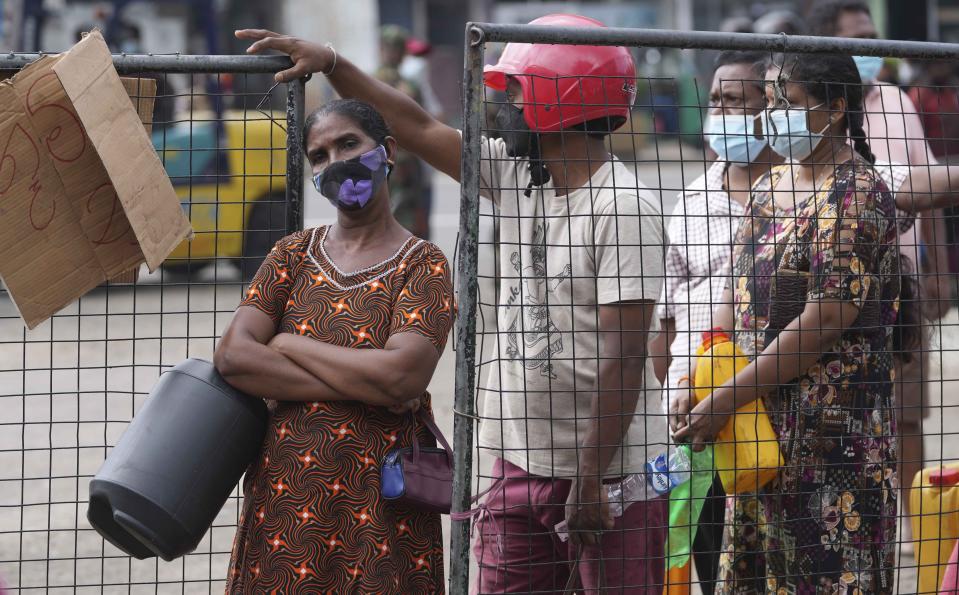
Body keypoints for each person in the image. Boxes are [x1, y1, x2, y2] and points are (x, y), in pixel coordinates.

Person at [236, 12, 670, 593]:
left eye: (514, 94)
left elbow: (625, 359)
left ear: (562, 99)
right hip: (516, 465)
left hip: (608, 476)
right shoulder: (514, 176)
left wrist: (589, 482)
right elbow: (413, 124)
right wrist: (334, 65)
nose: (502, 108)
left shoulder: (624, 208)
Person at [674, 52, 920, 594]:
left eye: (789, 103)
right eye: (772, 101)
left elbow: (825, 321)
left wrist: (725, 399)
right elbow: (735, 295)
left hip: (833, 442)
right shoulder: (768, 188)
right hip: (759, 438)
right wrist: (702, 377)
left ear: (834, 109)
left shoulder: (859, 195)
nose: (773, 115)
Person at [213, 99, 454, 593]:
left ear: (386, 151)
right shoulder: (291, 255)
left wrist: (287, 343)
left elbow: (402, 377)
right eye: (319, 156)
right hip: (285, 508)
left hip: (382, 516)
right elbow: (234, 357)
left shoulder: (423, 264)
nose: (334, 163)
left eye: (348, 144)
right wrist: (370, 383)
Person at [808, 0, 952, 549]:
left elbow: (931, 185)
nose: (872, 48)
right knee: (846, 415)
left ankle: (913, 531)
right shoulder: (813, 113)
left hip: (904, 287)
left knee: (908, 413)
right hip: (837, 291)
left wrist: (937, 271)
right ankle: (857, 523)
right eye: (858, 38)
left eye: (873, 36)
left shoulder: (895, 101)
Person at [651, 49, 773, 595]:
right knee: (710, 553)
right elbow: (667, 315)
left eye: (735, 101)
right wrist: (679, 386)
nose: (719, 115)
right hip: (697, 411)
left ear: (772, 109)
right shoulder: (692, 199)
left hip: (775, 404)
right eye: (715, 102)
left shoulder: (807, 193)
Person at [376, 25, 431, 240]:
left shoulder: (367, 82)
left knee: (384, 216)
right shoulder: (409, 86)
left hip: (380, 159)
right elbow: (423, 124)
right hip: (405, 160)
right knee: (409, 220)